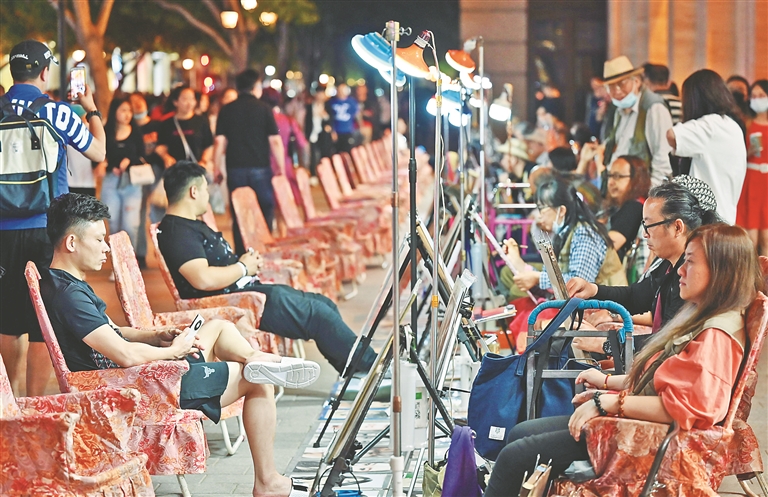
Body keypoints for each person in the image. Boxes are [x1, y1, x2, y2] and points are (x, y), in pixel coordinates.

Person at [40, 192, 319, 497]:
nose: (105, 247)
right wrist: (172, 351)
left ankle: (256, 357)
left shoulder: (65, 284)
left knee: (219, 327)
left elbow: (113, 332)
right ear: (71, 242)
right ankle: (268, 483)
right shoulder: (70, 297)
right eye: (98, 240)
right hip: (140, 385)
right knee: (257, 381)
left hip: (141, 373)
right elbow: (124, 354)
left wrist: (154, 336)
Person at [484, 223, 763, 495]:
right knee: (521, 433)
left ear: (720, 271)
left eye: (690, 262)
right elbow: (667, 379)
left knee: (514, 456)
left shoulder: (716, 335)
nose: (681, 270)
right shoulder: (702, 315)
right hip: (642, 424)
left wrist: (607, 402)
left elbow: (685, 409)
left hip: (650, 438)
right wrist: (608, 382)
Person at [156, 161, 377, 375]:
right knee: (318, 315)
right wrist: (243, 267)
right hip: (237, 300)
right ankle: (371, 365)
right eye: (206, 189)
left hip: (247, 290)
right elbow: (202, 278)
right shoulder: (177, 232)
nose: (208, 194)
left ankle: (354, 370)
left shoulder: (190, 225)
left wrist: (245, 265)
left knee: (323, 304)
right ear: (193, 191)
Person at [0, 40, 106, 397]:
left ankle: (10, 402)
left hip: (3, 230)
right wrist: (91, 110)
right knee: (42, 322)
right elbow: (98, 152)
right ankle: (35, 401)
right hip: (48, 229)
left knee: (8, 319)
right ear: (45, 72)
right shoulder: (57, 112)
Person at [568, 179, 721, 352]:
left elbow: (670, 342)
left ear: (678, 227)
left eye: (649, 226)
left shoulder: (693, 275)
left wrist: (605, 344)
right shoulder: (668, 265)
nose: (644, 234)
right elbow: (635, 297)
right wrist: (593, 290)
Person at [503, 176, 626, 295]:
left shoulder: (585, 234)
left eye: (541, 208)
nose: (539, 216)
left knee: (516, 294)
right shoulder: (563, 234)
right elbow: (552, 282)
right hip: (584, 305)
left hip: (606, 306)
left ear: (561, 210)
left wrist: (538, 278)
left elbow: (579, 285)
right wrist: (517, 261)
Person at [214, 69, 285, 254]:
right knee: (264, 209)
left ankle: (242, 254)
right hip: (260, 167)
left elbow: (219, 141)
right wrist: (281, 167)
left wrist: (216, 168)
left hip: (235, 168)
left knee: (239, 212)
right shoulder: (264, 109)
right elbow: (275, 141)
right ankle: (263, 248)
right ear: (256, 86)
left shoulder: (227, 110)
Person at [667, 69, 747, 224]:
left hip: (706, 220)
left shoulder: (710, 125)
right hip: (723, 215)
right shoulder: (731, 125)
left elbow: (672, 136)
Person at [601, 56, 673, 188]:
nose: (617, 90)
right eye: (611, 86)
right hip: (620, 187)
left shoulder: (653, 108)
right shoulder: (618, 111)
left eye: (622, 83)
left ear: (636, 81)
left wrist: (651, 193)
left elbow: (663, 159)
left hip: (642, 191)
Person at [99, 95, 145, 252]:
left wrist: (129, 160)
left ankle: (130, 261)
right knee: (113, 224)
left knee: (130, 225)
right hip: (111, 180)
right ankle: (118, 260)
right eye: (123, 110)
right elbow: (100, 155)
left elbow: (142, 155)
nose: (127, 114)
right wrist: (108, 166)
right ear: (115, 111)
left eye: (129, 111)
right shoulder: (106, 131)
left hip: (132, 182)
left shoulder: (136, 132)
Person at [130, 92, 163, 268]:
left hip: (156, 170)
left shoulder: (157, 125)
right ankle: (140, 254)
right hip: (139, 173)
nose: (137, 104)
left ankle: (162, 252)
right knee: (140, 213)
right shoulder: (131, 128)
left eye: (139, 101)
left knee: (158, 212)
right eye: (133, 102)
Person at [597, 155, 650, 261]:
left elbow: (608, 246)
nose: (611, 182)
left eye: (617, 176)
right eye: (609, 176)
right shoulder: (616, 207)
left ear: (636, 179)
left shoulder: (634, 207)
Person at [262, 88, 308, 206]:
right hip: (285, 167)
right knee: (287, 207)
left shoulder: (258, 121)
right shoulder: (287, 120)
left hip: (263, 168)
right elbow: (303, 145)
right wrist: (304, 167)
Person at [737, 79, 768, 256]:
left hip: (766, 181)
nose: (757, 100)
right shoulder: (746, 123)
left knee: (766, 238)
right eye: (754, 96)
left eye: (761, 95)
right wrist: (748, 152)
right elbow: (736, 154)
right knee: (751, 238)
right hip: (751, 179)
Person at [304, 86, 334, 179]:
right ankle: (313, 174)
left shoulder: (327, 106)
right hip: (312, 133)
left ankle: (326, 174)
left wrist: (325, 116)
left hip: (323, 134)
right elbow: (307, 121)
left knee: (324, 154)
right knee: (313, 155)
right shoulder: (310, 106)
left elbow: (331, 119)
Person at [328, 82, 359, 153]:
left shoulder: (351, 102)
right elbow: (330, 118)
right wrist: (333, 131)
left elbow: (355, 114)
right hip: (337, 131)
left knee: (348, 151)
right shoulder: (331, 102)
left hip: (348, 131)